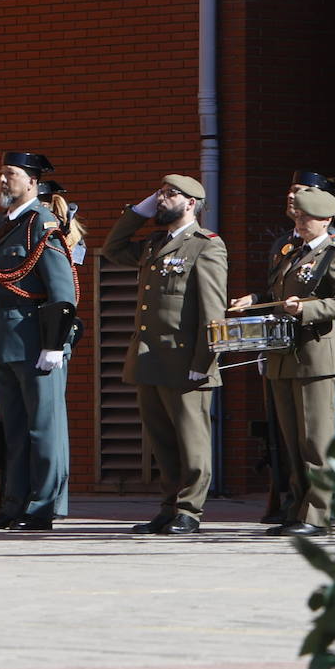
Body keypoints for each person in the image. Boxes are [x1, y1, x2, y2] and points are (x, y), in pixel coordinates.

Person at [101, 174, 227, 535]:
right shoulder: (155, 243)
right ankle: (169, 507)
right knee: (162, 441)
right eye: (159, 193)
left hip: (185, 360)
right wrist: (138, 212)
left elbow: (213, 310)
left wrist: (204, 361)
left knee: (192, 441)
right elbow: (112, 248)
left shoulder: (206, 245)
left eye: (170, 194)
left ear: (191, 203)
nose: (161, 199)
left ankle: (190, 510)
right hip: (150, 358)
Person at [231, 187, 335, 537]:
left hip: (317, 355)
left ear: (326, 220)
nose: (300, 223)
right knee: (293, 442)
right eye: (298, 217)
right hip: (285, 357)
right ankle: (298, 508)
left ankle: (318, 514)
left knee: (317, 441)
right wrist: (254, 299)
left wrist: (306, 309)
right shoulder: (293, 251)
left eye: (307, 219)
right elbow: (279, 295)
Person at [0, 152, 78, 531]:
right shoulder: (3, 224)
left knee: (43, 428)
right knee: (13, 429)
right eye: (1, 174)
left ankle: (43, 507)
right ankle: (12, 504)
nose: (3, 180)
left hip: (36, 341)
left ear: (33, 182)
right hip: (4, 340)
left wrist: (54, 344)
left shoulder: (43, 225)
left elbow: (63, 292)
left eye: (11, 174)